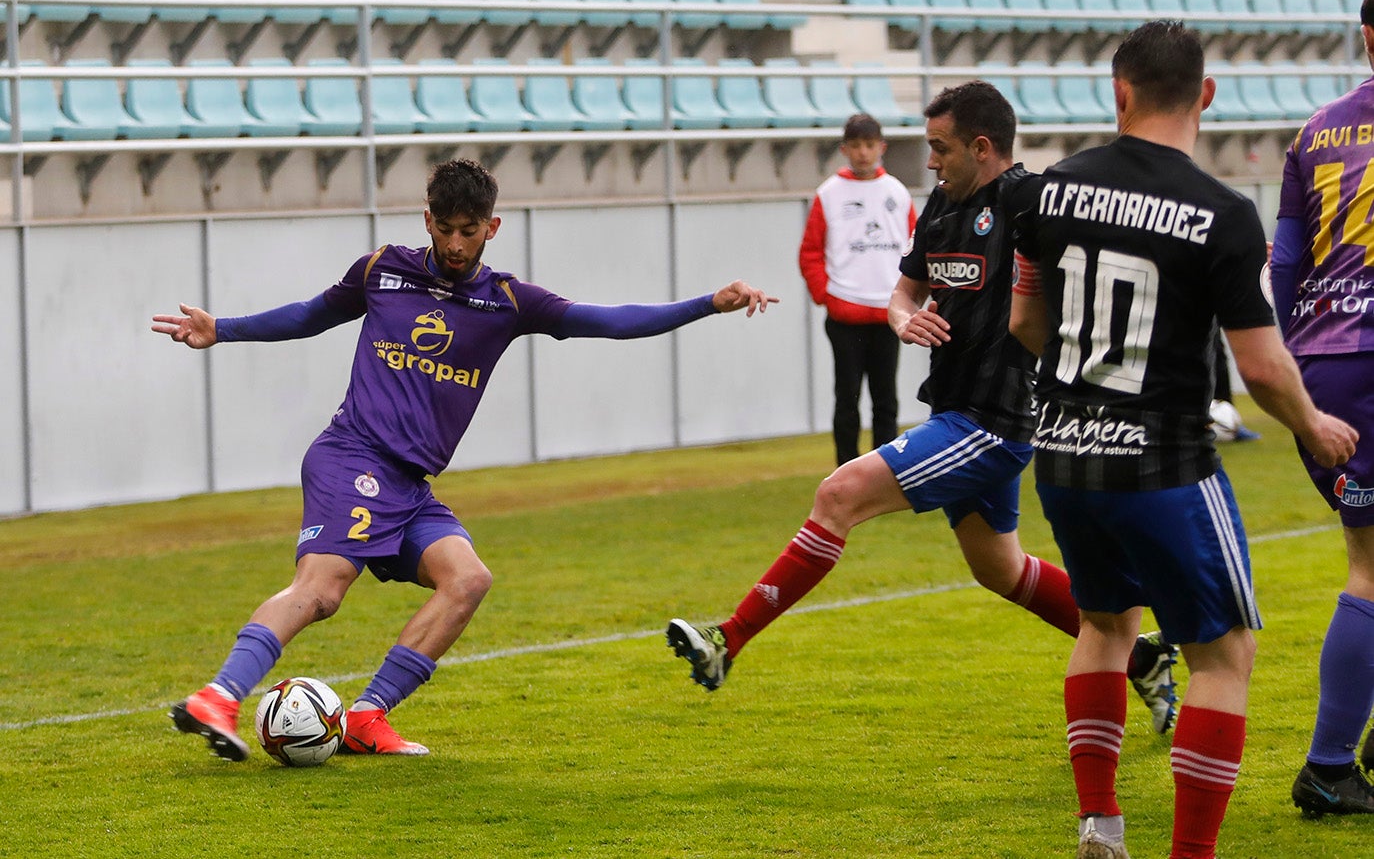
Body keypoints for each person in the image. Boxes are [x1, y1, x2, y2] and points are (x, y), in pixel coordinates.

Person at [152, 158, 778, 761]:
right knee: (322, 590)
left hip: (409, 484)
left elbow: (609, 320)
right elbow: (312, 315)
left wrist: (705, 303)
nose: (456, 244)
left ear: (492, 228)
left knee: (468, 580)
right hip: (353, 456)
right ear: (427, 220)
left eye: (469, 231)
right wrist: (224, 328)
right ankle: (219, 697)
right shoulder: (381, 270)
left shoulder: (509, 301)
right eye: (445, 229)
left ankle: (368, 717)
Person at [667, 80, 1180, 738]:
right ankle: (1141, 656)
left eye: (939, 148)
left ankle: (727, 640)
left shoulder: (1026, 198)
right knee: (999, 568)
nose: (930, 162)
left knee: (839, 493)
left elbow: (1103, 219)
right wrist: (904, 318)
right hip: (955, 410)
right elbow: (901, 292)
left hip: (993, 420)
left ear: (983, 146)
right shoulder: (940, 205)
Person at [1009, 21, 1357, 858]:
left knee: (1103, 627)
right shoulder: (1221, 214)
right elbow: (1262, 367)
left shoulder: (1047, 193)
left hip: (1061, 456)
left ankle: (1100, 822)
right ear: (1205, 95)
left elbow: (1025, 321)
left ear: (1117, 92)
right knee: (1222, 655)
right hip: (1163, 464)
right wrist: (1313, 424)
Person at [1273, 0, 1374, 817]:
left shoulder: (1316, 128)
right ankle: (1330, 765)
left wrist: (1298, 363)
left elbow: (1282, 264)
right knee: (1371, 566)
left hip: (1324, 362)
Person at [800, 113, 917, 465]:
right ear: (844, 149)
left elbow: (914, 248)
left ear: (881, 147)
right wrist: (827, 296)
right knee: (846, 398)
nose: (863, 153)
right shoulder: (829, 194)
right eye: (856, 146)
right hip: (845, 313)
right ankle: (846, 469)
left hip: (887, 314)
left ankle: (886, 471)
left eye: (869, 145)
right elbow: (810, 252)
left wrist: (907, 299)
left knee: (886, 400)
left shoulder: (897, 191)